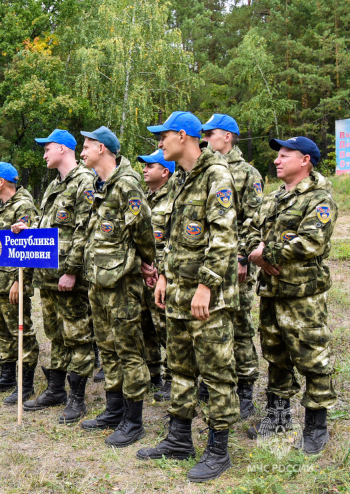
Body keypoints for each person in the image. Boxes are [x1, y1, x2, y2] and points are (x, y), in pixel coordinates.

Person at [139, 111, 239, 483]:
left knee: (215, 372)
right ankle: (179, 438)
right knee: (180, 368)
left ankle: (218, 449)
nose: (159, 144)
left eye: (162, 136)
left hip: (205, 298)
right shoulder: (181, 178)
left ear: (183, 136)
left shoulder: (217, 174)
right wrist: (164, 274)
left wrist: (206, 286)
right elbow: (176, 235)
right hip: (178, 293)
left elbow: (224, 237)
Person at [245, 136, 336, 455]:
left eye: (286, 155)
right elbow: (251, 230)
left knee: (312, 358)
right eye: (277, 155)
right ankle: (279, 418)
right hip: (271, 292)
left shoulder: (319, 197)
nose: (277, 160)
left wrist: (266, 253)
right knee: (276, 356)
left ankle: (316, 427)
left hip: (302, 296)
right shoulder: (274, 198)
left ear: (305, 161)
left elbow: (312, 242)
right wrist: (256, 252)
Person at [12, 129, 97, 424]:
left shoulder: (85, 181)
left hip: (67, 276)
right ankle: (56, 389)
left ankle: (77, 398)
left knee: (77, 334)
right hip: (47, 275)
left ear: (62, 149)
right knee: (55, 334)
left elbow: (85, 230)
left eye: (47, 149)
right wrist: (27, 228)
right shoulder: (52, 186)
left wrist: (72, 271)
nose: (44, 154)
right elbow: (46, 225)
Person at [78, 126, 155, 447]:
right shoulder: (101, 185)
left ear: (102, 149)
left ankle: (134, 420)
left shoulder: (126, 185)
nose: (82, 151)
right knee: (107, 347)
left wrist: (147, 262)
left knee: (128, 350)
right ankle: (114, 409)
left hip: (123, 283)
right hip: (98, 281)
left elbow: (143, 229)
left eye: (86, 146)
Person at [201, 114, 263, 418]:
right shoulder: (205, 170)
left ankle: (246, 389)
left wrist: (242, 258)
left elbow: (254, 220)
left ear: (227, 136)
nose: (205, 139)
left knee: (239, 326)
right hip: (208, 265)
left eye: (210, 134)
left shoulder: (247, 173)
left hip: (234, 265)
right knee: (210, 326)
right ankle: (212, 382)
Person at [0, 162, 39, 405]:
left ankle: (25, 385)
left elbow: (29, 247)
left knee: (21, 332)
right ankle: (7, 377)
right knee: (2, 331)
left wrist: (18, 281)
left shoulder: (24, 206)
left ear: (2, 181)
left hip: (13, 285)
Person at [137, 150, 176, 402]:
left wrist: (159, 269)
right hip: (143, 274)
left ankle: (174, 377)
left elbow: (174, 239)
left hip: (165, 276)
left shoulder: (175, 198)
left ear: (165, 171)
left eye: (150, 166)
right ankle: (153, 372)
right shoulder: (144, 199)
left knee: (168, 328)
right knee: (146, 325)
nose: (144, 169)